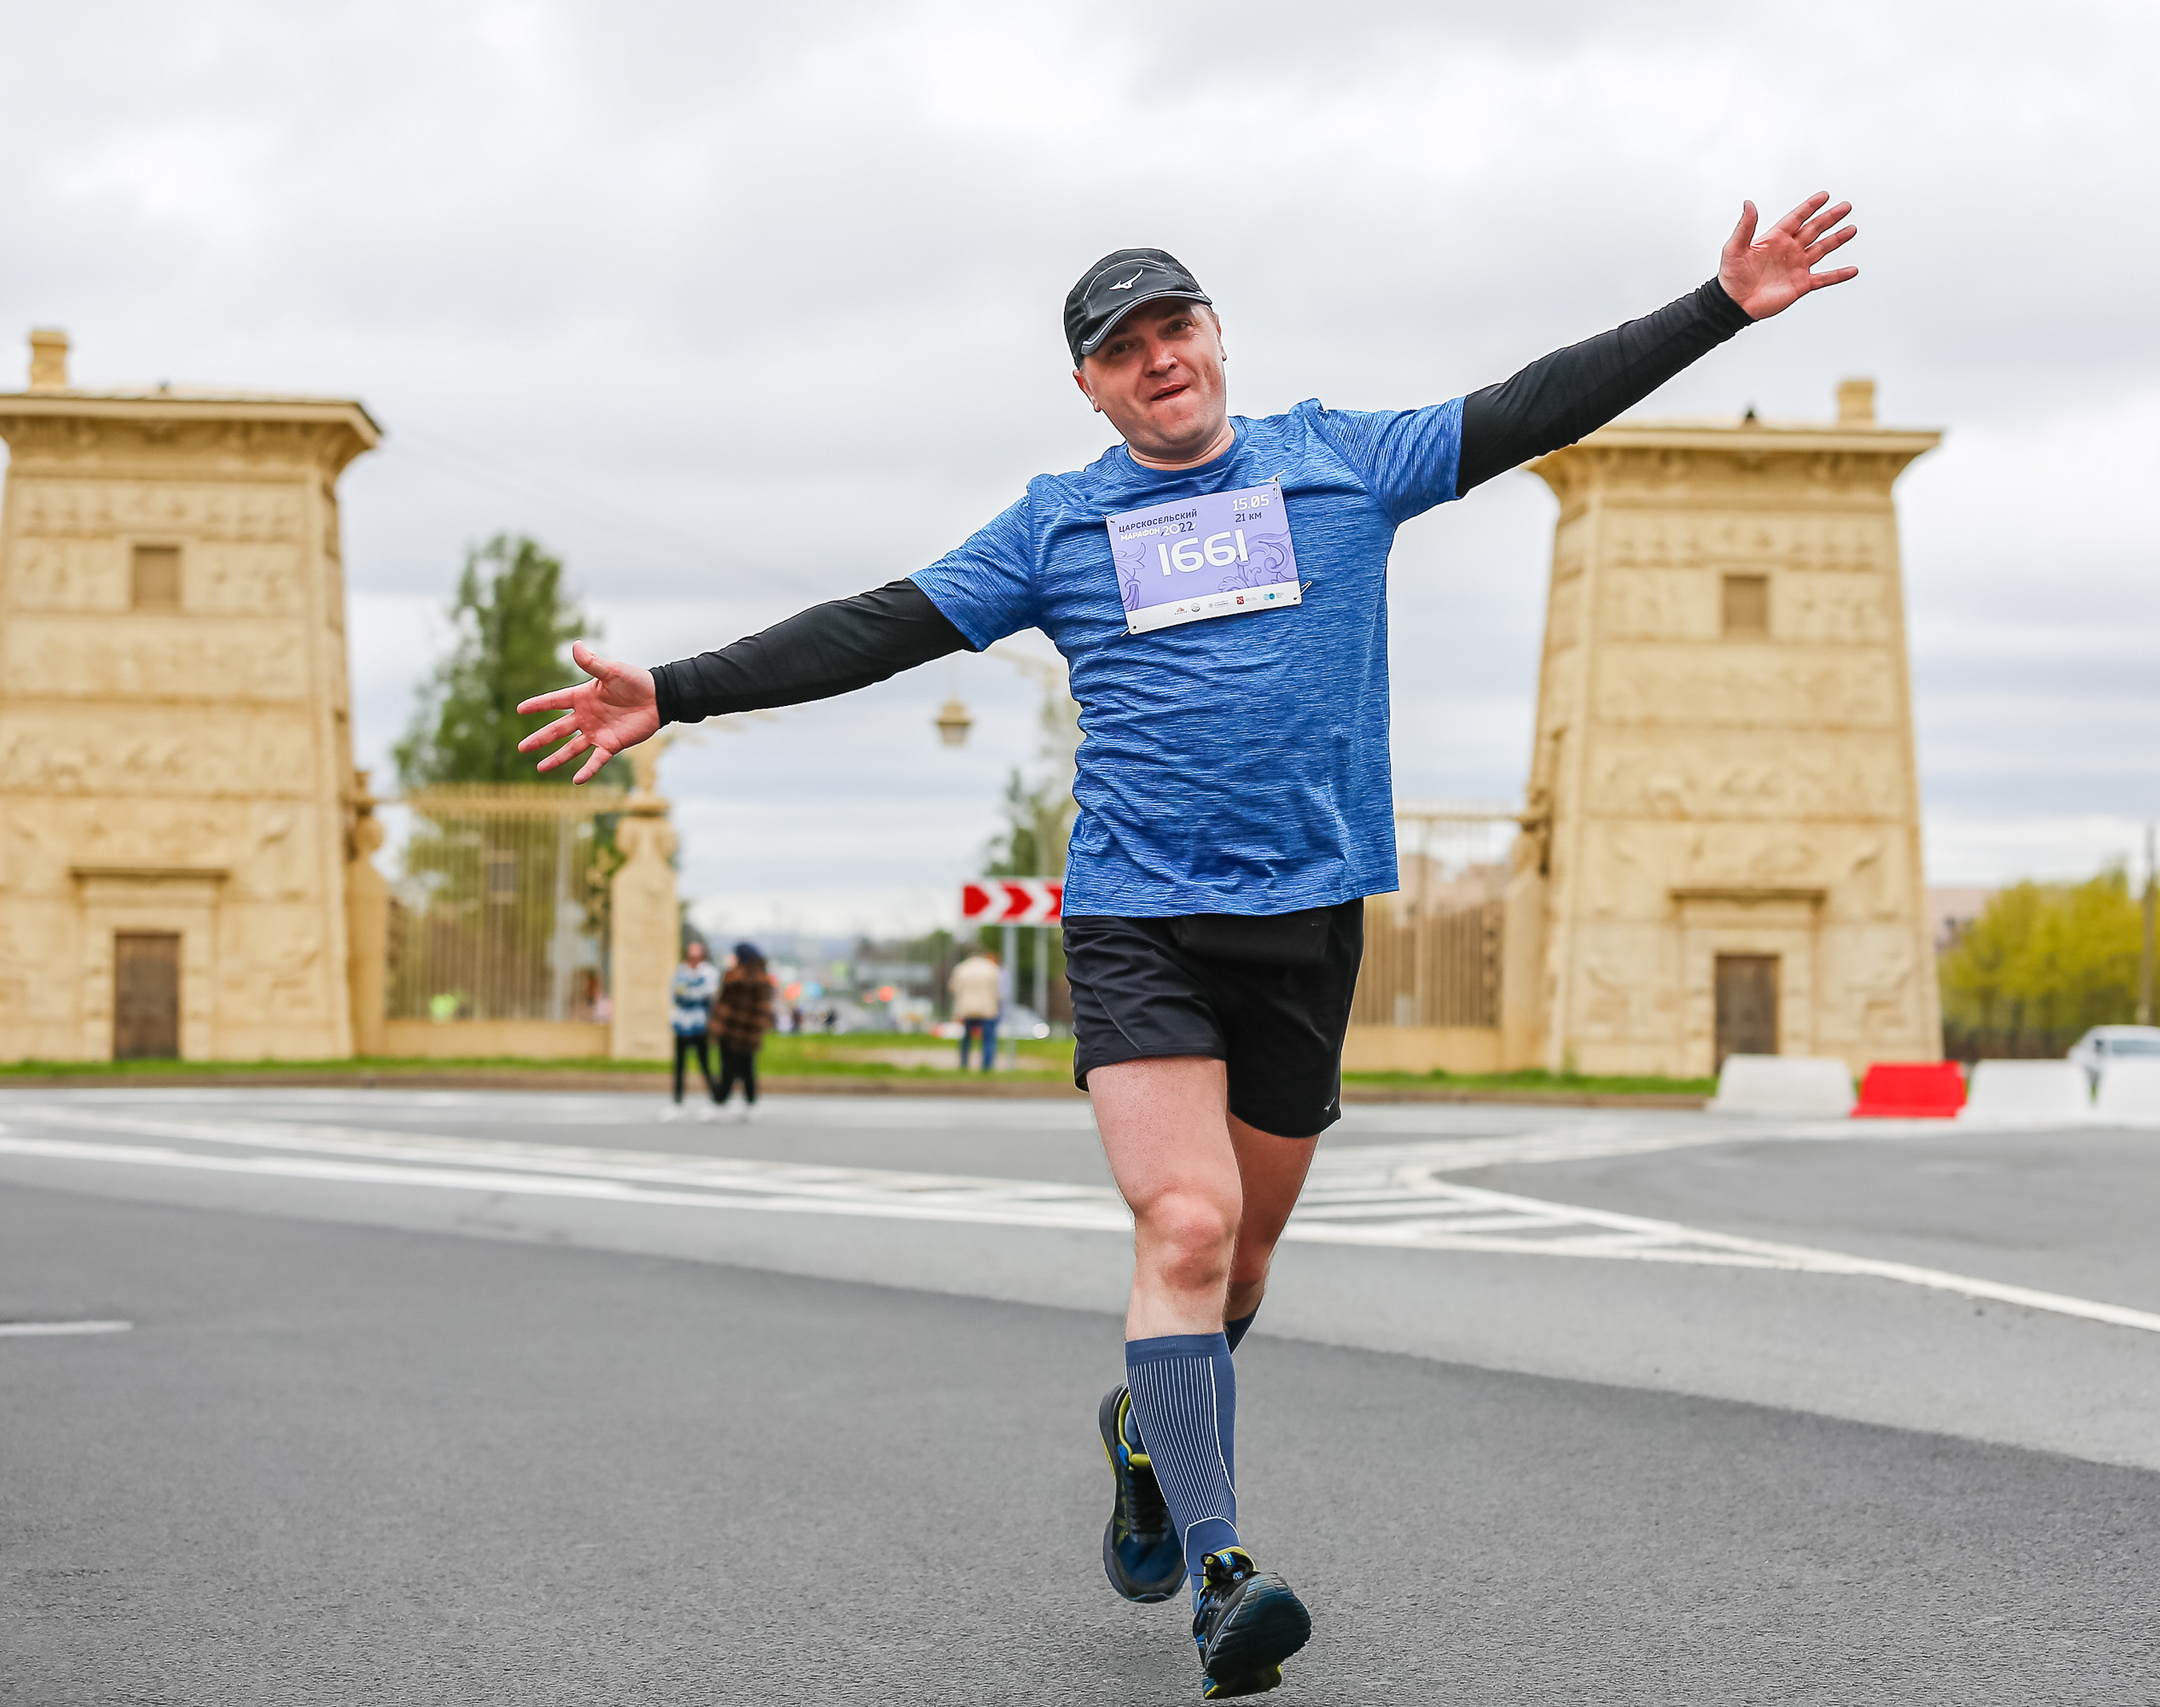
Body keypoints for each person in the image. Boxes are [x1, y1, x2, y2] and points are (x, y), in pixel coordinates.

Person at [516, 193, 1857, 1699]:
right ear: (1087, 384)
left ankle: (1146, 1430)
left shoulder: (1344, 460)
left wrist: (1718, 307)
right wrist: (677, 689)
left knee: (1248, 1260)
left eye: (1177, 328)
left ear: (1218, 338)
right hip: (1139, 916)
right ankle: (1225, 1571)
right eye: (1122, 348)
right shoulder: (1059, 523)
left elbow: (1534, 405)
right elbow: (885, 622)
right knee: (1189, 1226)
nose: (1159, 360)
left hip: (1306, 923)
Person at [710, 942, 774, 1119]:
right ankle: (750, 1103)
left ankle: (721, 1102)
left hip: (730, 1030)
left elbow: (722, 1006)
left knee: (727, 1069)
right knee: (747, 1069)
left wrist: (715, 1029)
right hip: (750, 1032)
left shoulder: (733, 977)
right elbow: (764, 1009)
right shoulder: (763, 979)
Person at [664, 940, 720, 1122]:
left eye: (696, 956)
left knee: (705, 1065)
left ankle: (714, 1100)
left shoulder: (709, 972)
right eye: (690, 956)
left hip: (700, 1025)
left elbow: (706, 994)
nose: (693, 960)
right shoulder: (681, 971)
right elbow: (676, 994)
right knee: (679, 1065)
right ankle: (677, 1102)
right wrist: (692, 992)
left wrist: (690, 992)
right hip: (682, 1025)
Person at [950, 948, 1003, 1072]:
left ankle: (964, 1064)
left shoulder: (961, 969)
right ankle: (987, 1066)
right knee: (988, 1039)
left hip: (966, 1009)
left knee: (966, 1039)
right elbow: (998, 990)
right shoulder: (991, 968)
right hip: (987, 1009)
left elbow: (954, 988)